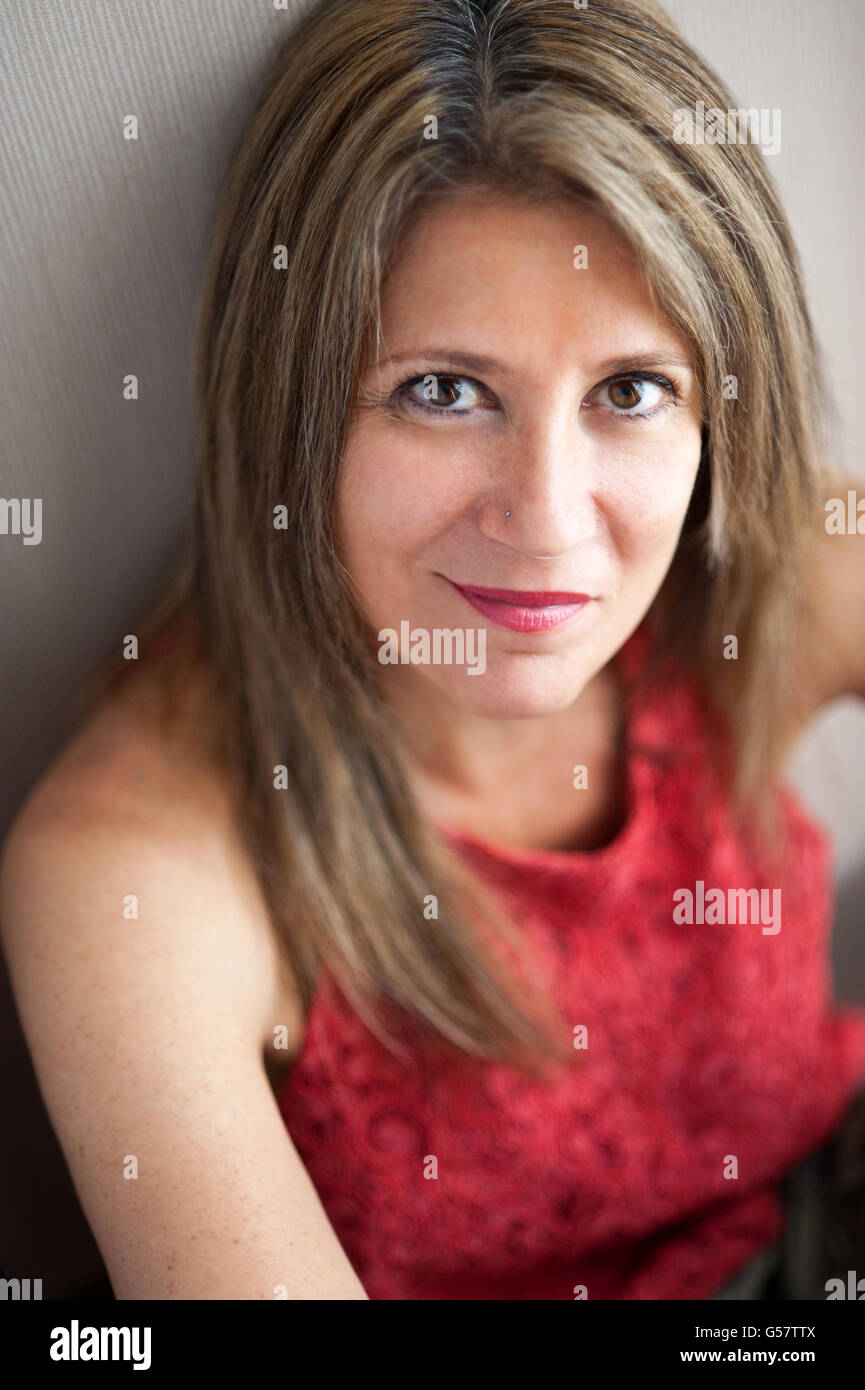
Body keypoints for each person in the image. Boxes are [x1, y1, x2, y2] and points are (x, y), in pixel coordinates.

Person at [2, 0, 864, 1301]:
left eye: (629, 389)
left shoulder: (769, 567)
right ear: (287, 406)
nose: (546, 521)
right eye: (441, 390)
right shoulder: (140, 869)